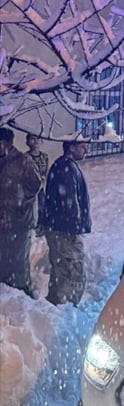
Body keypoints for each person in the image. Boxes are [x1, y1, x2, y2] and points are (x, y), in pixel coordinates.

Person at [44, 136, 92, 306]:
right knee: (72, 270)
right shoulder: (65, 168)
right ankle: (67, 307)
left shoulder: (65, 166)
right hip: (65, 230)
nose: (86, 149)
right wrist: (75, 227)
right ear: (71, 148)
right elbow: (69, 202)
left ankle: (57, 304)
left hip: (60, 227)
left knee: (61, 268)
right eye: (82, 146)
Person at [0, 126, 42, 296]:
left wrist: (22, 204)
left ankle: (22, 288)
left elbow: (36, 184)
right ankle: (4, 286)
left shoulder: (22, 161)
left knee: (18, 257)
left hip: (19, 220)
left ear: (8, 143)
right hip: (2, 219)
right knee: (3, 256)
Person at [25, 133, 49, 234]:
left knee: (42, 205)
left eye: (38, 139)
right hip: (30, 188)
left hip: (41, 187)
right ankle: (33, 226)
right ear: (27, 142)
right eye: (32, 139)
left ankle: (42, 226)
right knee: (32, 209)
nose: (35, 142)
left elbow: (45, 172)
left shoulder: (44, 156)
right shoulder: (25, 157)